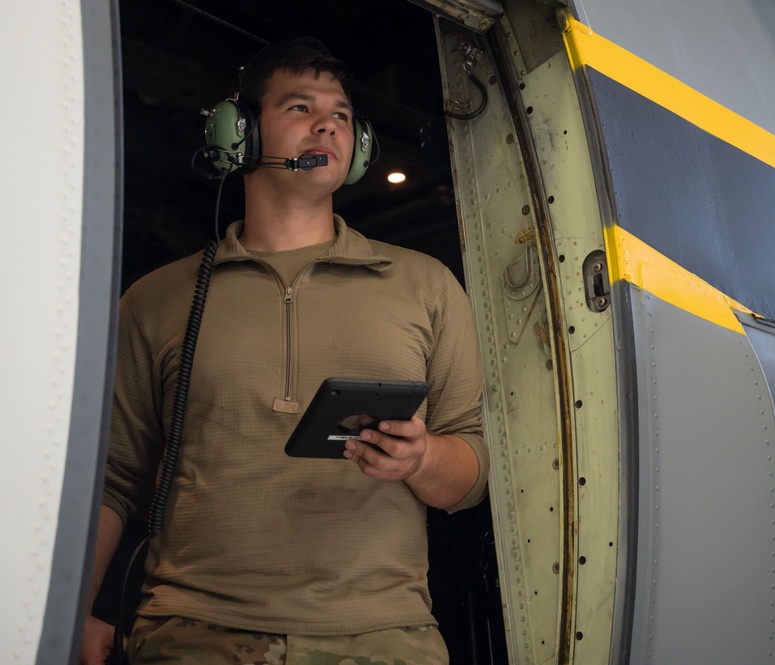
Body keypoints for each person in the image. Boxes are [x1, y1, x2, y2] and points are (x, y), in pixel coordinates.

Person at [80, 37, 487, 665]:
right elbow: (109, 478)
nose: (328, 122)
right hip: (190, 632)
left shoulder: (426, 285)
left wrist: (423, 457)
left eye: (343, 114)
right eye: (300, 107)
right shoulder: (157, 300)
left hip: (384, 636)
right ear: (236, 134)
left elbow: (473, 470)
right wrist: (72, 611)